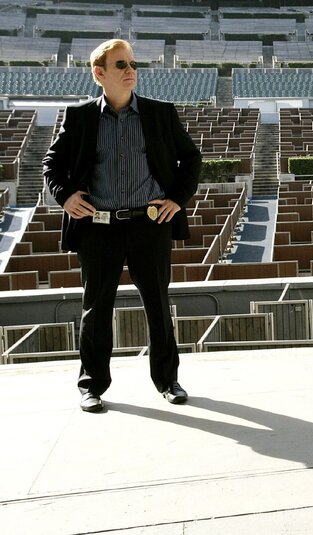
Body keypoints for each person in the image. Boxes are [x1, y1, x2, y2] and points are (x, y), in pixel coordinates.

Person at [43, 39, 202, 412]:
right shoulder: (80, 117)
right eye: (121, 65)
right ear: (99, 73)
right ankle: (91, 386)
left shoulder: (160, 113)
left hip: (150, 224)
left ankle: (168, 380)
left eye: (132, 63)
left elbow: (191, 158)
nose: (131, 70)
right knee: (96, 309)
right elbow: (52, 163)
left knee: (158, 305)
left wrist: (177, 199)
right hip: (98, 227)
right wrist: (65, 196)